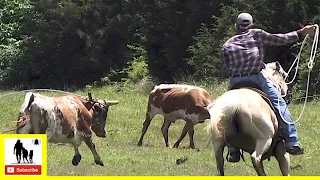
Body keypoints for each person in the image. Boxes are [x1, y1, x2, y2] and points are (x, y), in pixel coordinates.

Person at [221, 12, 316, 162]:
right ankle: (292, 141)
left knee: (224, 112)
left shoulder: (227, 44)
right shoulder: (257, 34)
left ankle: (232, 148)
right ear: (251, 25)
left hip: (235, 81)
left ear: (236, 26)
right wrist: (301, 33)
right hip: (256, 79)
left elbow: (226, 66)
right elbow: (280, 39)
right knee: (279, 104)